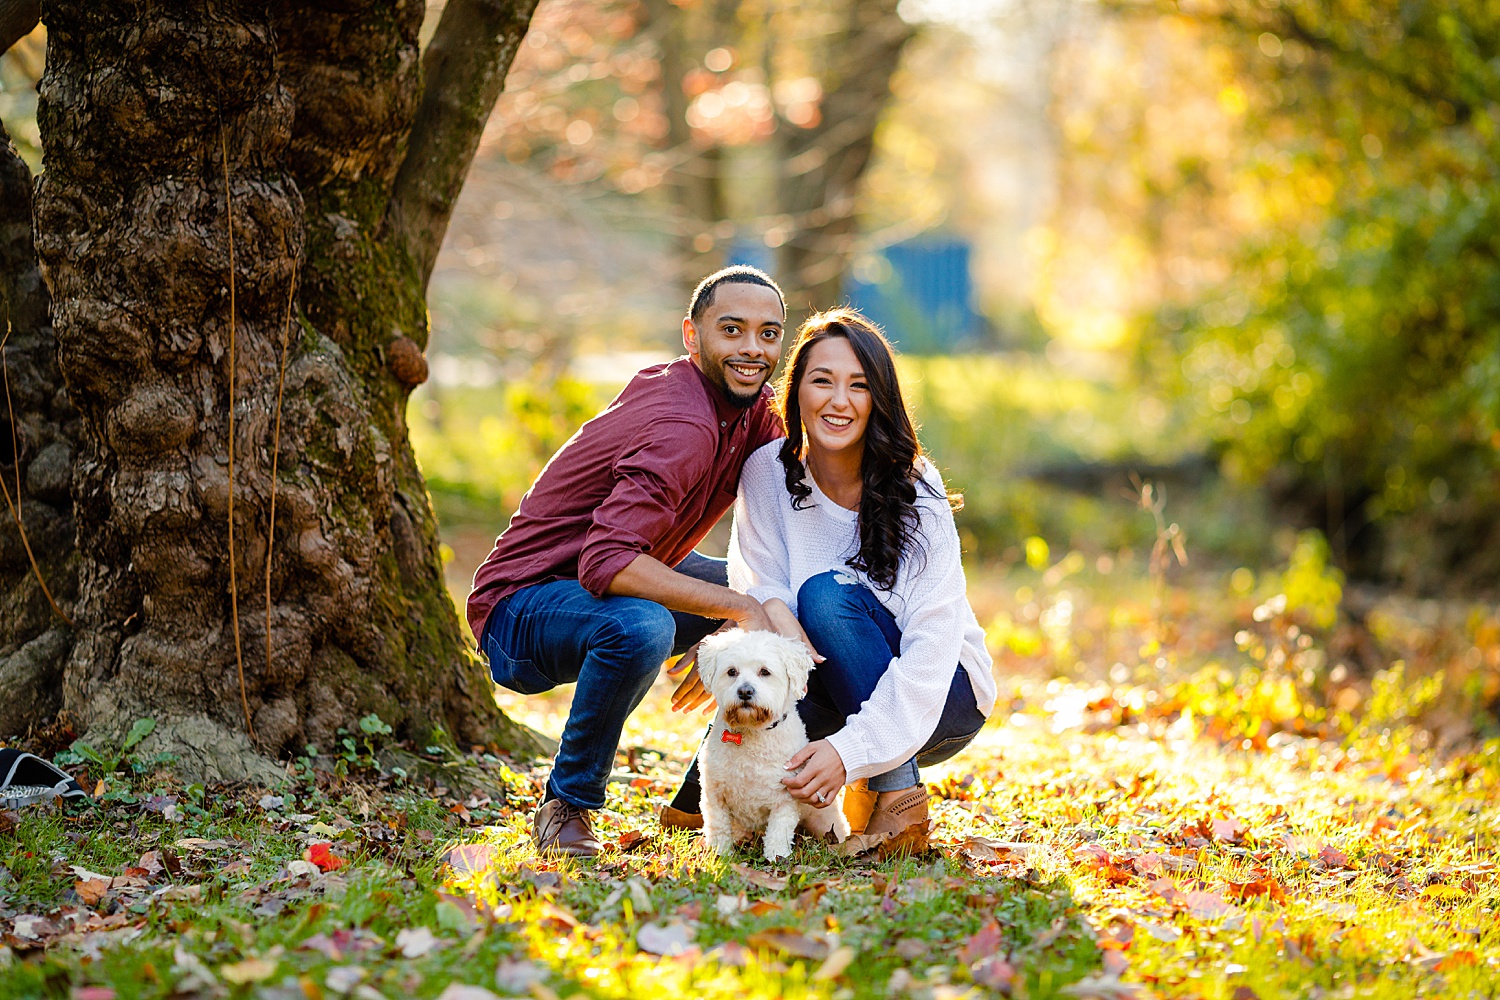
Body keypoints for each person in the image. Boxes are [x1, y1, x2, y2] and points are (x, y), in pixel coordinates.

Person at [467, 265, 788, 857]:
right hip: (522, 609)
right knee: (644, 625)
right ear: (692, 336)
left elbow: (815, 460)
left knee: (779, 601)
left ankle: (705, 797)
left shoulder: (748, 412)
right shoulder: (684, 424)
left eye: (768, 334)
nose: (751, 348)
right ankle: (568, 805)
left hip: (604, 585)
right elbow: (606, 564)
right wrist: (737, 610)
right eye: (732, 329)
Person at [666, 307, 996, 852]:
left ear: (878, 400)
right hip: (820, 675)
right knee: (691, 811)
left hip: (943, 698)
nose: (838, 401)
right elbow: (760, 586)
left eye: (859, 386)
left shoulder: (917, 488)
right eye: (822, 381)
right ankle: (838, 774)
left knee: (824, 594)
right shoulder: (768, 470)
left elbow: (931, 646)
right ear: (796, 391)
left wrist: (848, 751)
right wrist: (753, 653)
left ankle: (897, 796)